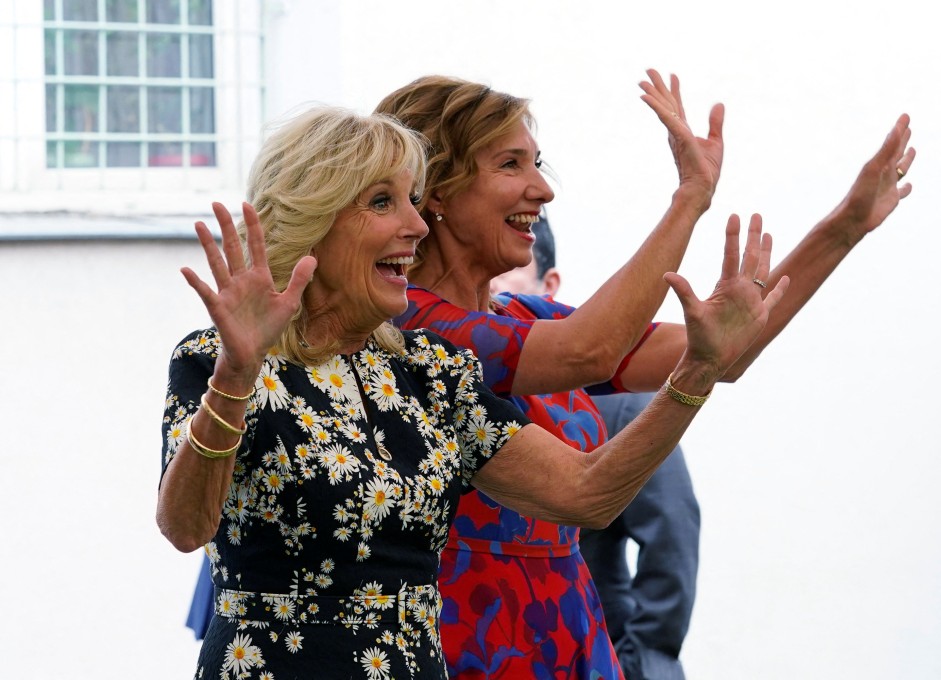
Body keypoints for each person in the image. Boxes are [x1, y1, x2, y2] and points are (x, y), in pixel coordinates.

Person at [156, 105, 789, 679]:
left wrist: (698, 372)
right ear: (316, 220)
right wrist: (235, 378)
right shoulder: (216, 359)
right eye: (384, 202)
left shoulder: (432, 373)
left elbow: (586, 493)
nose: (416, 226)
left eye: (414, 200)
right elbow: (186, 527)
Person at [376, 70, 914, 678]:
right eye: (510, 165)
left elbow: (723, 352)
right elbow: (590, 351)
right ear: (439, 190)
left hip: (571, 632)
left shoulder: (524, 316)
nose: (542, 190)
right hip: (474, 639)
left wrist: (844, 225)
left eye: (538, 163)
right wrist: (690, 196)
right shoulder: (414, 327)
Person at [489, 215, 699, 680]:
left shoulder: (619, 405)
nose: (494, 297)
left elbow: (671, 539)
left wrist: (642, 658)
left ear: (549, 286)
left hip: (593, 649)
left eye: (509, 282)